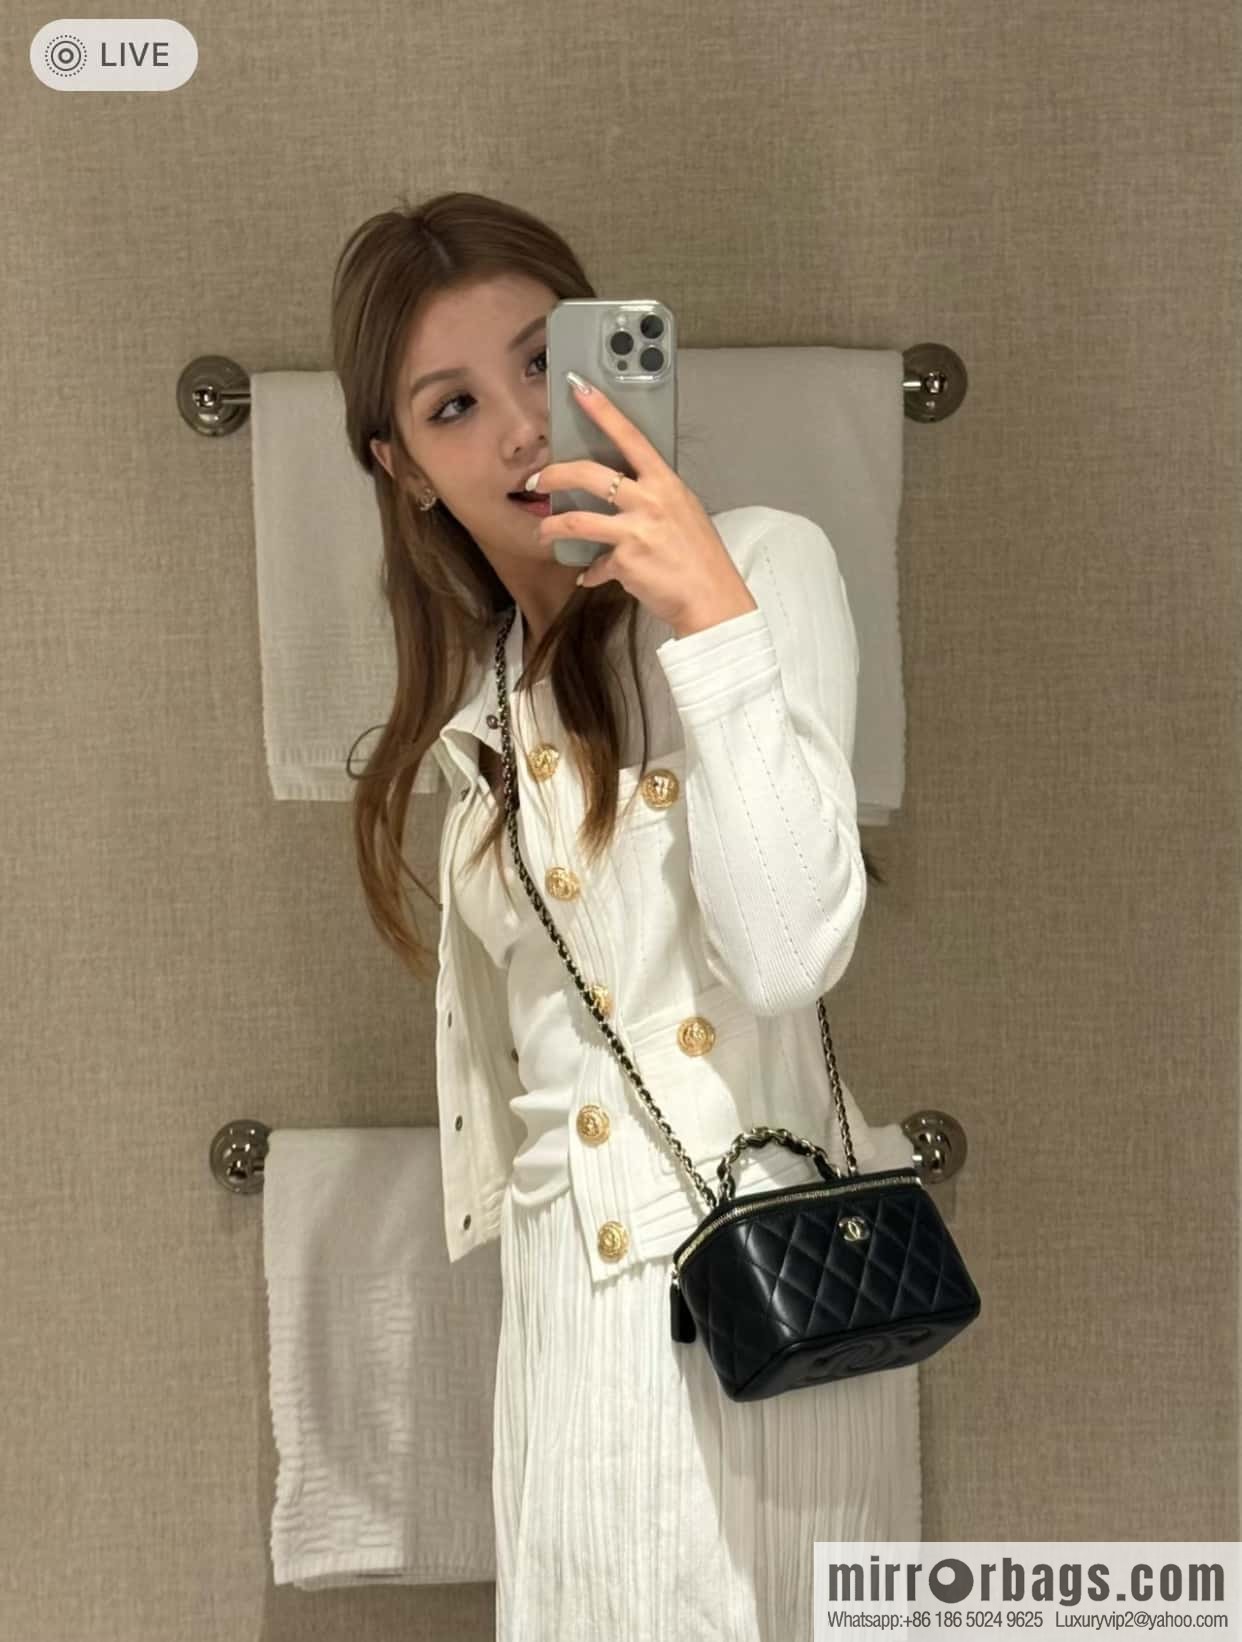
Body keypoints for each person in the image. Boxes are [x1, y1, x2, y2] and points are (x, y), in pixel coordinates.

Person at [332, 189, 919, 1641]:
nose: (522, 430)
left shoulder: (761, 568)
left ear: (612, 350)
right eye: (455, 406)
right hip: (564, 1336)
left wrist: (706, 618)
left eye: (545, 361)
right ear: (403, 468)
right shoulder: (479, 715)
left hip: (756, 1315)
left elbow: (786, 953)